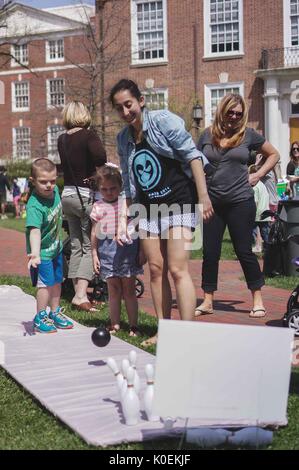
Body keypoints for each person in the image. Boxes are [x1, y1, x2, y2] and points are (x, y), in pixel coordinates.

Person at [109, 79, 213, 346]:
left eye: (128, 105)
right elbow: (128, 182)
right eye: (119, 108)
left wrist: (203, 197)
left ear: (140, 101)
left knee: (178, 268)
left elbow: (192, 156)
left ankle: (188, 334)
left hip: (178, 201)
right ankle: (163, 330)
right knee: (156, 269)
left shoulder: (163, 121)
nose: (125, 112)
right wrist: (126, 217)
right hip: (148, 207)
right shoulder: (123, 138)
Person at [197, 93, 279, 319]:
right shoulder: (206, 135)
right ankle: (207, 300)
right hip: (211, 203)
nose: (233, 116)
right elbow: (194, 162)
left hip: (240, 202)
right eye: (230, 112)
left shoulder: (249, 135)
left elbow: (274, 154)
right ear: (222, 111)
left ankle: (257, 299)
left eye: (238, 113)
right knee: (210, 252)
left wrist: (259, 174)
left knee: (244, 251)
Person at [57, 101, 107, 312]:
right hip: (84, 195)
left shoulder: (62, 138)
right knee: (89, 246)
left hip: (66, 195)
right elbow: (101, 158)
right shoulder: (88, 135)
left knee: (76, 246)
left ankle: (77, 292)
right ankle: (80, 296)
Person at [90, 164, 144, 336]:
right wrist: (94, 253)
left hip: (127, 250)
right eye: (104, 189)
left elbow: (139, 229)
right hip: (106, 251)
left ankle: (133, 325)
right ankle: (115, 324)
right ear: (99, 189)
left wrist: (142, 251)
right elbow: (94, 232)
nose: (109, 192)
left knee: (129, 289)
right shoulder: (98, 206)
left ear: (121, 186)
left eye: (113, 188)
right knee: (113, 289)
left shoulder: (127, 204)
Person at [26, 158, 74, 333]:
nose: (49, 185)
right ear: (33, 181)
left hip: (56, 248)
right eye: (43, 182)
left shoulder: (55, 193)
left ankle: (54, 312)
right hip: (42, 253)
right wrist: (36, 253)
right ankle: (40, 316)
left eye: (52, 181)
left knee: (57, 281)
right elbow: (34, 231)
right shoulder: (35, 205)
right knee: (44, 284)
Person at [248, 164, 271, 253]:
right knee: (265, 233)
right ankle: (268, 249)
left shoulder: (255, 188)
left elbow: (255, 203)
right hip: (265, 213)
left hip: (257, 214)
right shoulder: (262, 185)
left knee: (252, 232)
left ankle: (253, 247)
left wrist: (250, 214)